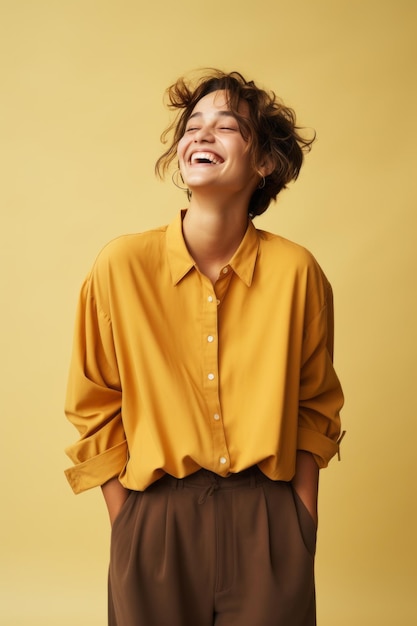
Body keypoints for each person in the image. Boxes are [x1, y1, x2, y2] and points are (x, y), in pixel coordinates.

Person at [64, 69, 344, 626]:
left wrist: (300, 523)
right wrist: (129, 524)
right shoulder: (121, 267)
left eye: (228, 126)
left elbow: (315, 406)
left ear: (264, 162)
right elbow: (94, 405)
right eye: (193, 126)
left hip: (268, 517)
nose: (202, 135)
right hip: (155, 522)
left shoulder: (296, 272)